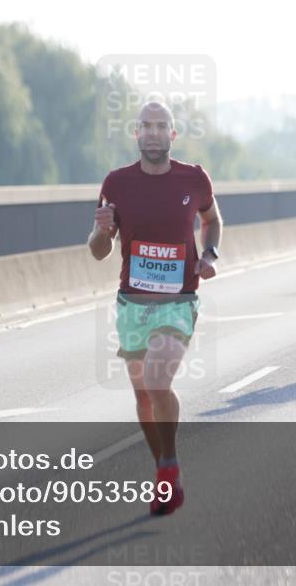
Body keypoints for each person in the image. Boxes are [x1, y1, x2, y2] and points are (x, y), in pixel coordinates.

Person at [88, 101, 222, 515]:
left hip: (178, 301)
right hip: (132, 303)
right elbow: (97, 252)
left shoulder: (194, 178)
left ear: (172, 135)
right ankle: (167, 470)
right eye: (145, 126)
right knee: (144, 396)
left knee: (157, 380)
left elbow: (212, 220)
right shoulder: (116, 183)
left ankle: (167, 468)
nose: (152, 133)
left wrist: (210, 254)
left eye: (160, 126)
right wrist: (102, 229)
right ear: (136, 133)